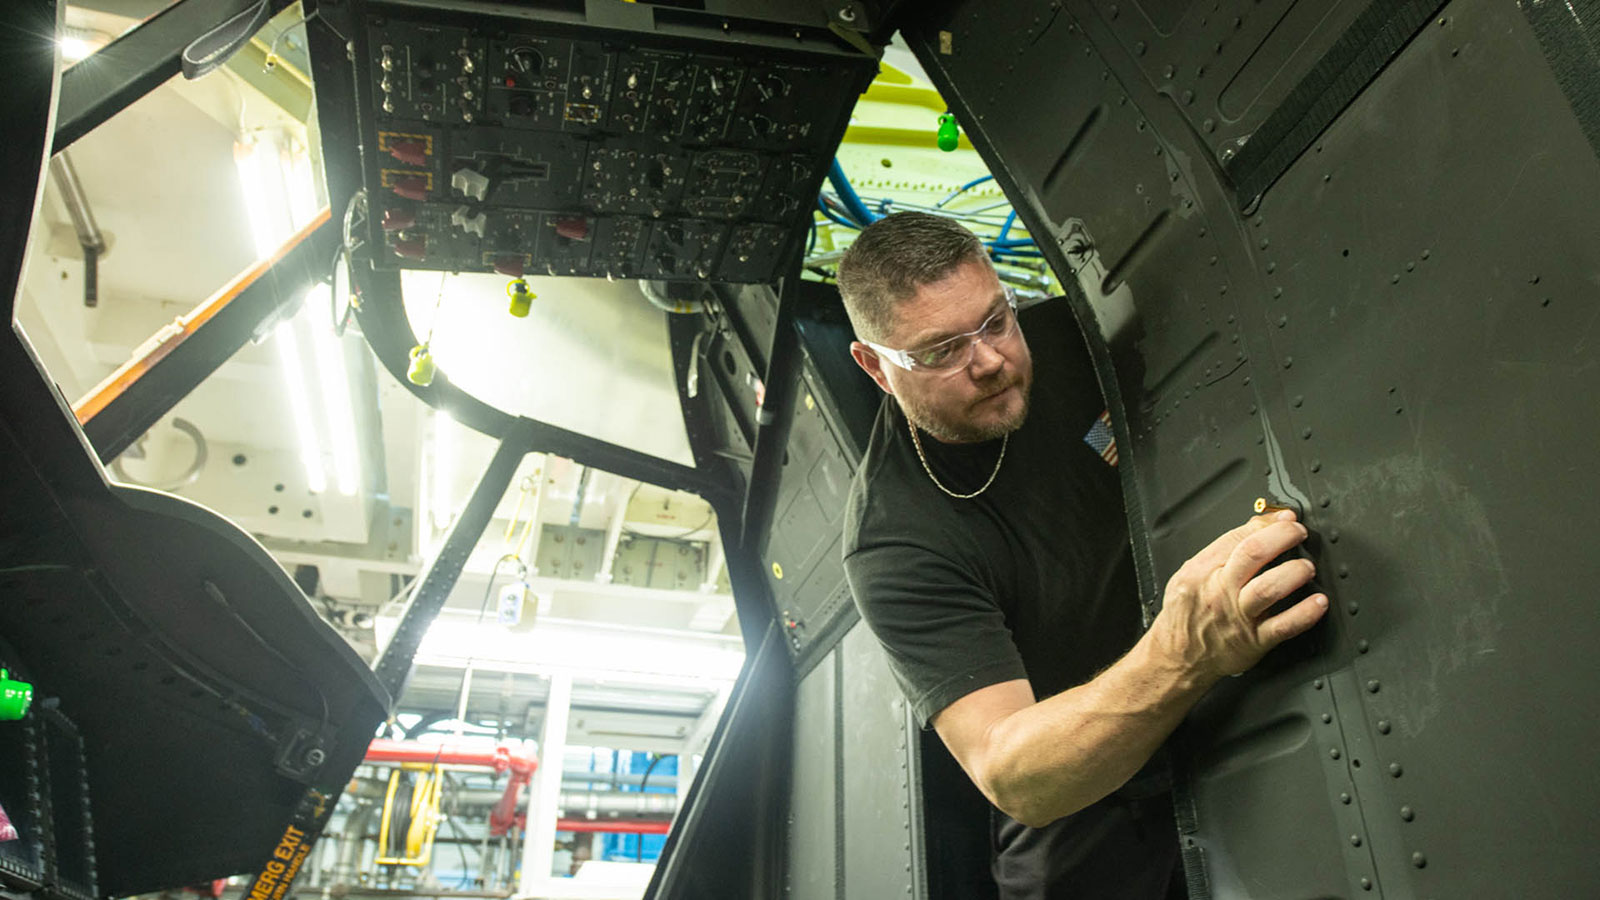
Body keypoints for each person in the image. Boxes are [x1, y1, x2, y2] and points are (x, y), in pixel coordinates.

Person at [838, 212, 1328, 898]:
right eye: (942, 351)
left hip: (1228, 673)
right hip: (1088, 772)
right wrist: (1184, 652)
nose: (989, 362)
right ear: (876, 367)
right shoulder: (895, 542)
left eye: (994, 321)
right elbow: (1010, 769)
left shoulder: (1075, 339)